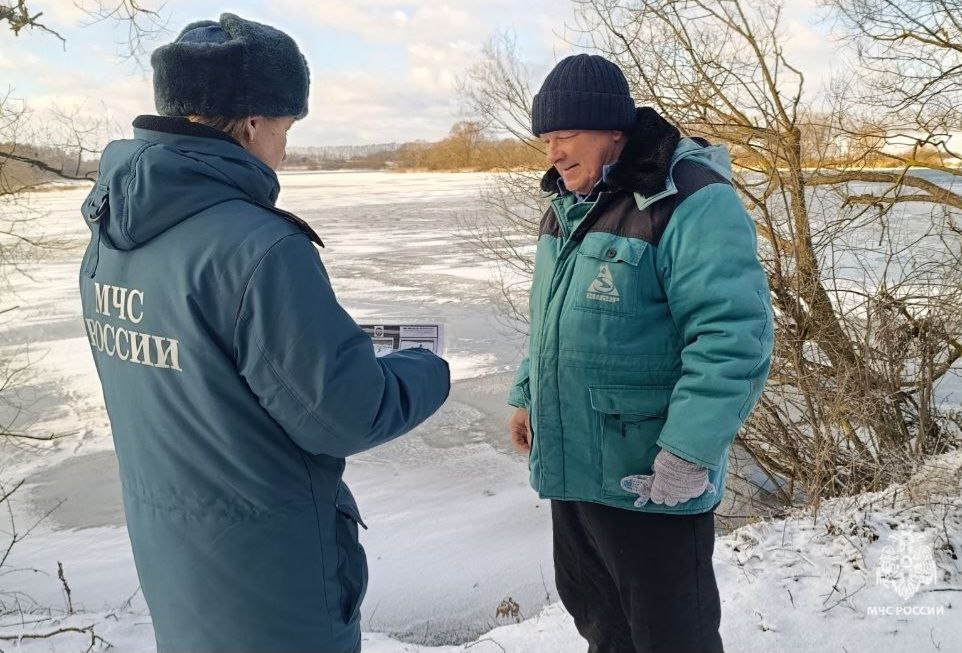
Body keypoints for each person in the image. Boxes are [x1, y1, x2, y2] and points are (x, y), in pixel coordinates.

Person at [78, 14, 450, 653]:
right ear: (252, 125)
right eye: (285, 128)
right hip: (273, 587)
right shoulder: (259, 247)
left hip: (179, 568)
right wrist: (427, 367)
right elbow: (344, 414)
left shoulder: (111, 238)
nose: (285, 148)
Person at [506, 54, 773, 653]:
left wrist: (688, 452)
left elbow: (733, 336)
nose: (552, 152)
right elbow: (549, 323)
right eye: (545, 138)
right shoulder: (565, 209)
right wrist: (526, 393)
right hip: (574, 467)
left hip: (650, 476)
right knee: (600, 622)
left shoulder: (688, 199)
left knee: (671, 636)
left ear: (614, 130)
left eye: (566, 134)